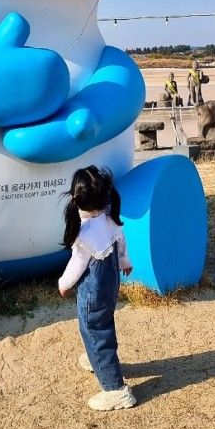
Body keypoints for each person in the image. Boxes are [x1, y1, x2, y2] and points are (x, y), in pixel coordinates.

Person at [57, 166, 137, 411]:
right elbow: (121, 240)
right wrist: (125, 261)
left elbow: (78, 264)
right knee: (100, 325)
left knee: (94, 327)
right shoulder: (110, 216)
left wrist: (64, 283)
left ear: (75, 198)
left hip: (94, 288)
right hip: (110, 281)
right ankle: (97, 358)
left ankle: (115, 389)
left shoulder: (86, 232)